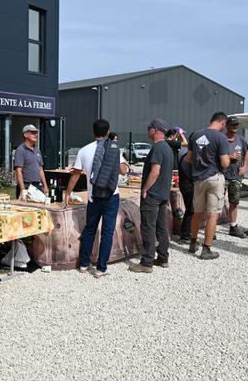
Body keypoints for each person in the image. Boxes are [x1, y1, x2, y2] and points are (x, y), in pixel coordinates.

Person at [64, 119, 129, 278]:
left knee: (90, 229)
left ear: (93, 132)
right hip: (111, 196)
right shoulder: (114, 149)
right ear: (108, 132)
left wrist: (67, 193)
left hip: (93, 197)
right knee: (107, 232)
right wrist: (124, 161)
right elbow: (123, 171)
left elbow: (76, 174)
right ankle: (101, 268)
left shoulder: (84, 151)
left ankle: (84, 264)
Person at [129, 118, 174, 273]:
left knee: (148, 226)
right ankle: (163, 257)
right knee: (162, 226)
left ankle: (146, 262)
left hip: (153, 194)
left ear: (155, 130)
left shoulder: (157, 148)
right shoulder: (168, 148)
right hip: (163, 193)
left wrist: (145, 189)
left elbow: (155, 171)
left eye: (149, 128)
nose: (148, 130)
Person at [186, 112, 232, 260]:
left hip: (198, 179)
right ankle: (206, 249)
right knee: (213, 214)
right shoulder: (221, 137)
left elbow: (188, 158)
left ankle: (193, 243)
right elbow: (225, 163)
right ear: (223, 123)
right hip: (214, 177)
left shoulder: (196, 135)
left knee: (197, 212)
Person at [223, 116, 248, 238]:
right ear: (227, 125)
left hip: (236, 176)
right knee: (217, 202)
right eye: (233, 124)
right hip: (222, 175)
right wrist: (229, 157)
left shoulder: (241, 140)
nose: (235, 127)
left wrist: (245, 167)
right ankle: (210, 227)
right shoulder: (221, 139)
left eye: (236, 125)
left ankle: (233, 226)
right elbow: (214, 155)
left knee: (234, 202)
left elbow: (247, 152)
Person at [14, 124, 49, 201]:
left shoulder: (37, 150)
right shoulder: (20, 150)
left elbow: (40, 169)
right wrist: (23, 190)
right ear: (25, 135)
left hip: (37, 186)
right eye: (33, 132)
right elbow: (18, 171)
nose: (36, 134)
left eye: (36, 132)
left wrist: (45, 186)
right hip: (26, 185)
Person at [176, 150, 195, 244]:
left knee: (191, 210)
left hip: (186, 184)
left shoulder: (185, 154)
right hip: (188, 185)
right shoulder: (187, 156)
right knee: (190, 210)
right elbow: (191, 173)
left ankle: (186, 232)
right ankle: (185, 234)